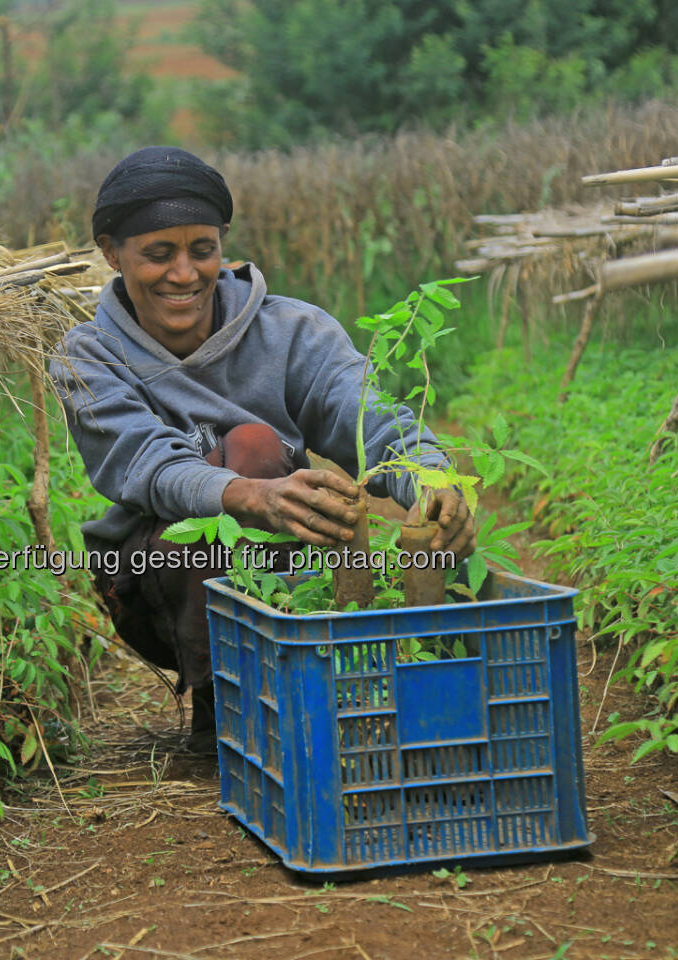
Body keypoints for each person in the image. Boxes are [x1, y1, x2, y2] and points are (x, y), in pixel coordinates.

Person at [49, 146, 476, 744]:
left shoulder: (293, 331)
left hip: (290, 569)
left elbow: (369, 419)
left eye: (203, 250)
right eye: (158, 254)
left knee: (276, 465)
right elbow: (145, 461)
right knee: (250, 446)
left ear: (223, 245)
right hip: (149, 584)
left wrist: (431, 478)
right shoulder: (88, 356)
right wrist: (249, 493)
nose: (183, 273)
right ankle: (220, 702)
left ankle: (314, 685)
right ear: (111, 253)